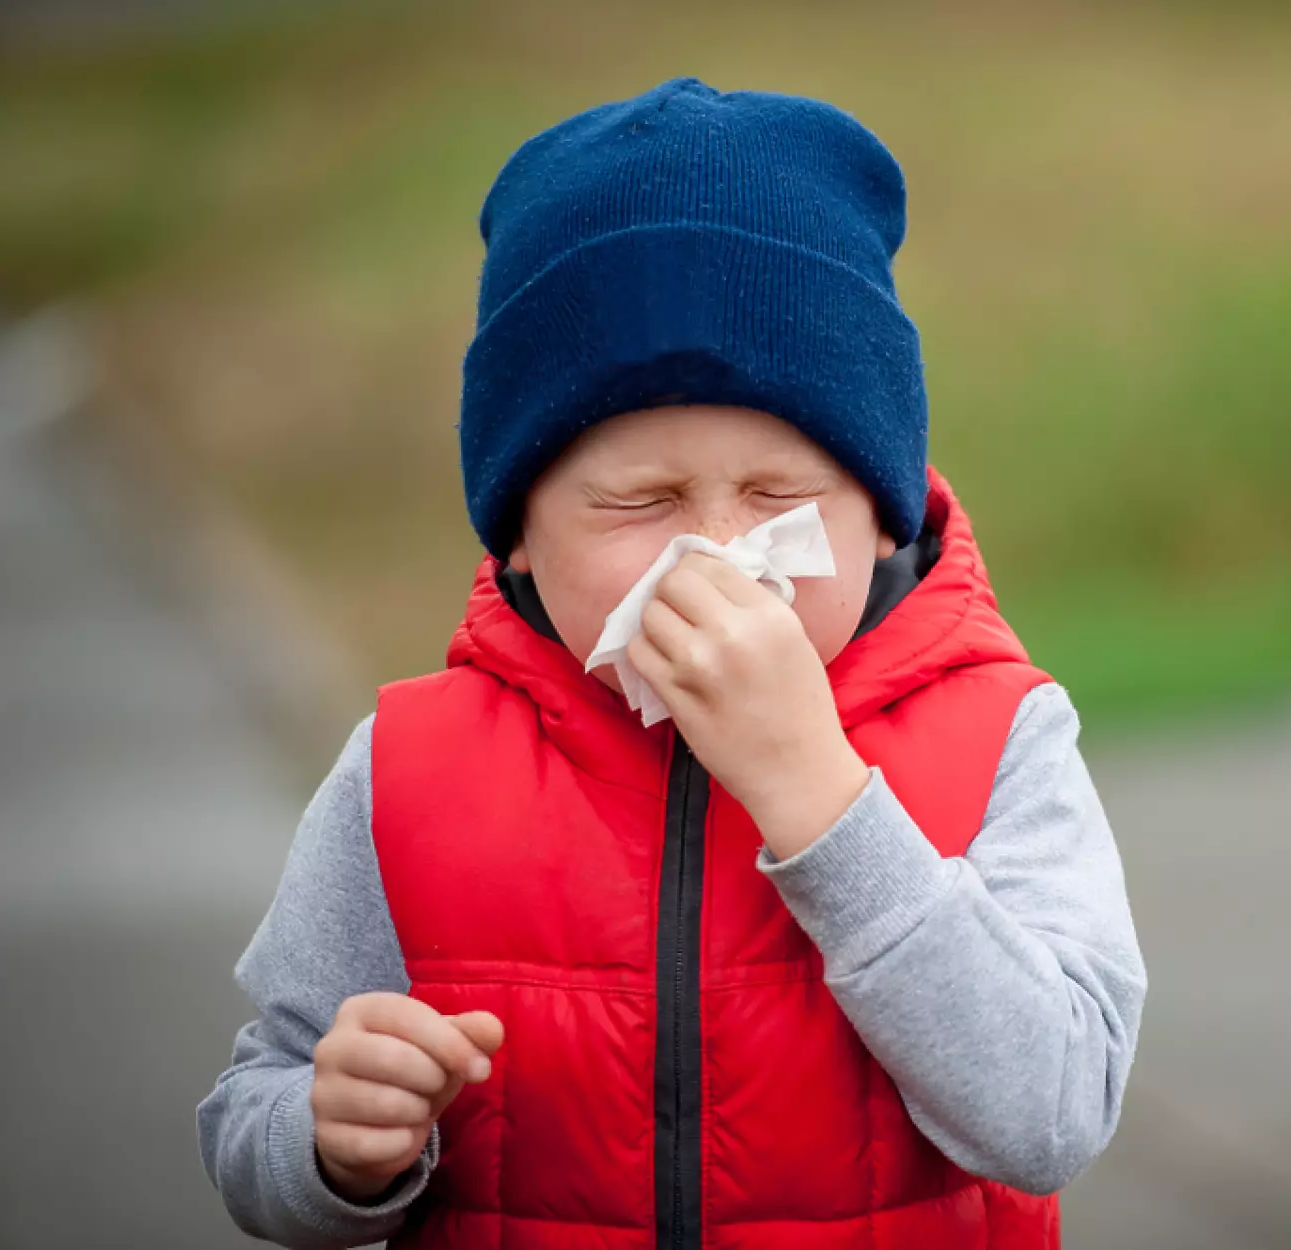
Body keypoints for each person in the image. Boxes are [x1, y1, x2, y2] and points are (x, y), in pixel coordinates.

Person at [198, 76, 1146, 1250]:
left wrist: (817, 789)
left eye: (779, 495)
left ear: (880, 515)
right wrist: (329, 1141)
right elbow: (252, 1113)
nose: (717, 555)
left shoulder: (1000, 734)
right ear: (522, 538)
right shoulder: (409, 773)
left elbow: (1047, 1113)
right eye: (638, 499)